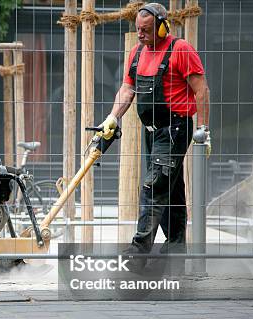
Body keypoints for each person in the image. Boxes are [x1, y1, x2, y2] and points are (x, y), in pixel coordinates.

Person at [96, 2, 210, 270]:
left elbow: (201, 90)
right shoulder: (136, 53)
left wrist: (204, 129)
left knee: (154, 185)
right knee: (170, 189)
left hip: (175, 129)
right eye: (138, 29)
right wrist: (113, 117)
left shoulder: (180, 50)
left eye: (146, 30)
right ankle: (176, 251)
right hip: (152, 132)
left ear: (162, 26)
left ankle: (137, 253)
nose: (140, 34)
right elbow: (127, 89)